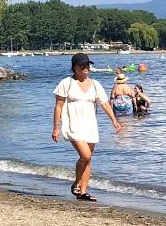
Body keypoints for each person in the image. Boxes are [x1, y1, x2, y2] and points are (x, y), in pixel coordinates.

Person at [52, 53, 122, 201]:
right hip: (73, 124)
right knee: (85, 155)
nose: (86, 68)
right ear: (75, 67)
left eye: (88, 65)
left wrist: (113, 120)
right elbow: (58, 106)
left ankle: (83, 192)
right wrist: (56, 128)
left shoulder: (95, 84)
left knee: (88, 160)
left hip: (90, 125)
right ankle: (77, 183)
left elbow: (104, 103)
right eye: (82, 65)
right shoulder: (66, 83)